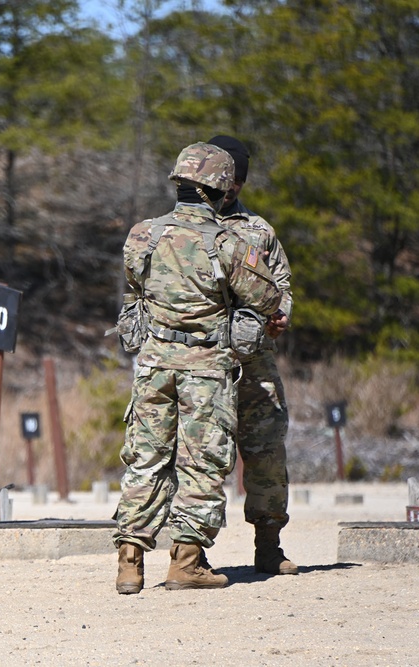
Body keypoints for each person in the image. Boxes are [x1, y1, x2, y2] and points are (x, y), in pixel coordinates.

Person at [112, 143, 282, 594]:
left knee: (145, 460)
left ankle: (129, 563)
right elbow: (268, 298)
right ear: (222, 187)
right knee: (201, 464)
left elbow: (136, 288)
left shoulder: (142, 234)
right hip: (205, 369)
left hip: (152, 364)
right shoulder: (228, 243)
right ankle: (185, 563)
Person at [208, 134, 298, 576]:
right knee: (201, 454)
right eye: (229, 179)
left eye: (240, 181)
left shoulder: (259, 230)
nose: (234, 188)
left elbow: (283, 288)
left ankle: (268, 544)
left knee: (266, 451)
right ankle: (191, 552)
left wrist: (282, 314)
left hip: (256, 362)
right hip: (203, 361)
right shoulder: (184, 228)